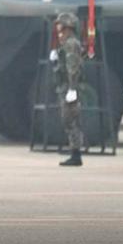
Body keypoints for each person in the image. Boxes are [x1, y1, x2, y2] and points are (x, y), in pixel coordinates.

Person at [54, 12, 85, 167]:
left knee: (70, 119)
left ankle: (76, 154)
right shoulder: (66, 42)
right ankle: (74, 151)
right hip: (66, 85)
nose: (58, 26)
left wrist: (72, 88)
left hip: (69, 86)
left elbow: (73, 67)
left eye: (60, 24)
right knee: (67, 120)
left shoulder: (71, 43)